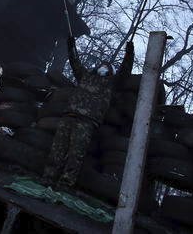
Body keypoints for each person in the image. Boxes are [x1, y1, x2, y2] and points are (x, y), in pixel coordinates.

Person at [43, 38, 134, 188]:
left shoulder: (111, 84)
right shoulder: (85, 76)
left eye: (107, 66)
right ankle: (48, 178)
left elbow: (125, 69)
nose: (103, 67)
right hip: (69, 116)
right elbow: (75, 61)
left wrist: (129, 51)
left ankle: (65, 184)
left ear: (111, 72)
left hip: (87, 122)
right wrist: (71, 45)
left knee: (75, 154)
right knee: (57, 149)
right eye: (102, 64)